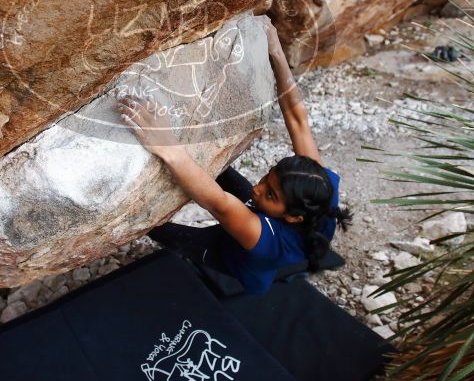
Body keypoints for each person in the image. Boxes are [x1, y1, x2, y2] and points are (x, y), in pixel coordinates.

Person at [116, 18, 352, 294]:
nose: (258, 188)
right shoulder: (320, 185)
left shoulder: (265, 239)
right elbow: (299, 121)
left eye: (271, 194)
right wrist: (276, 52)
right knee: (220, 174)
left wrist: (166, 144)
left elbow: (220, 204)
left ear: (293, 217)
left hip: (231, 255)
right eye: (267, 177)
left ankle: (150, 232)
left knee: (157, 229)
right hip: (269, 220)